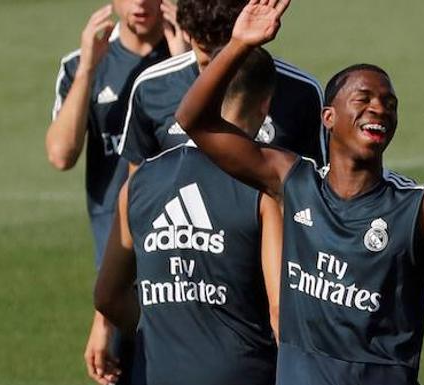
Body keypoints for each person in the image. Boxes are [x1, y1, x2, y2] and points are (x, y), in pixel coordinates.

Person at [175, 1, 424, 384]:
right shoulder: (293, 181)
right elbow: (193, 120)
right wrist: (238, 45)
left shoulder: (420, 207)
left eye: (389, 104)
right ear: (328, 117)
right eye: (363, 99)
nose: (379, 109)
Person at [94, 47, 282, 385]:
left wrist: (157, 324)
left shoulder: (137, 184)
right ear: (265, 106)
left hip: (156, 373)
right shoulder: (261, 191)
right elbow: (280, 311)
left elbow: (107, 295)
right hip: (244, 372)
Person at [45, 1, 189, 384]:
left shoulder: (194, 59)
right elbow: (60, 154)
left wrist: (184, 62)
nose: (141, 2)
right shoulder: (83, 63)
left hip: (183, 254)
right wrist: (90, 69)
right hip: (117, 262)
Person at [117, 0, 326, 175]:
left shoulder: (302, 91)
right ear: (187, 34)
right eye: (207, 53)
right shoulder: (152, 87)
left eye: (229, 52)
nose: (218, 65)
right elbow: (137, 189)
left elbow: (318, 190)